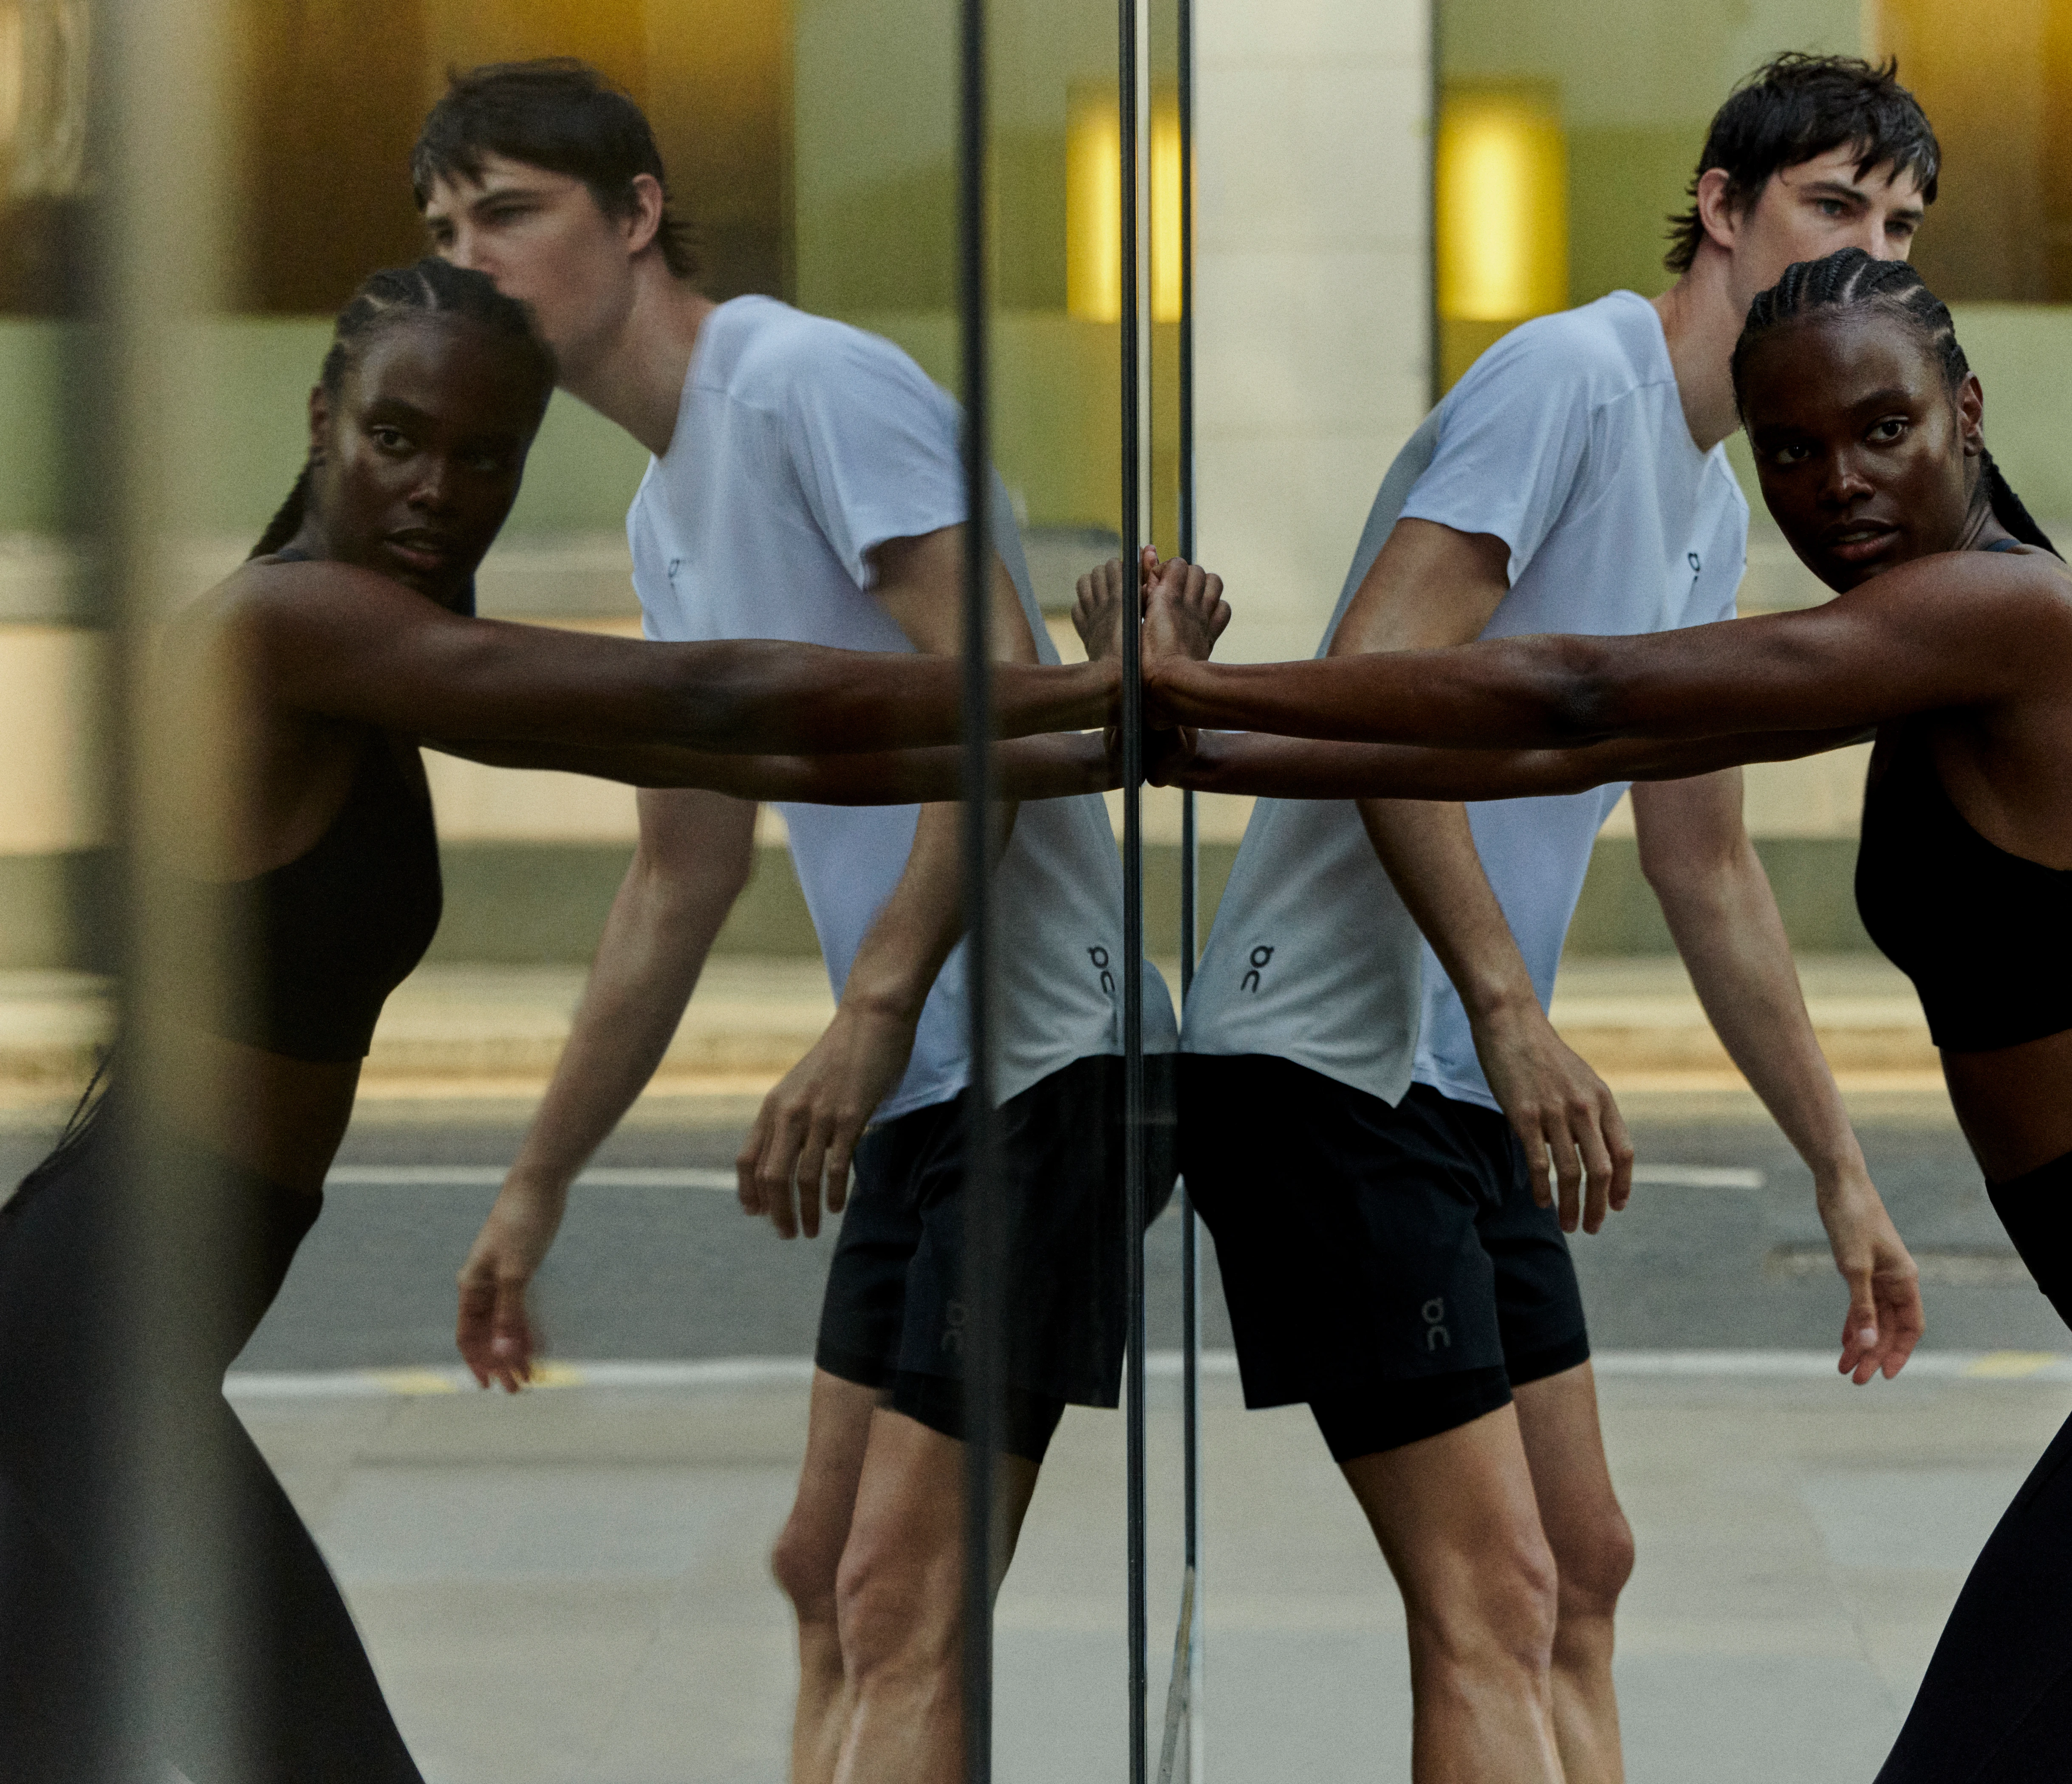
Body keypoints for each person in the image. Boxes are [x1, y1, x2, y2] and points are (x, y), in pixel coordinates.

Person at [1141, 246, 2072, 1784]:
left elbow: (1580, 697)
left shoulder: (2011, 619)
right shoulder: (1924, 637)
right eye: (1795, 453)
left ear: (1966, 410)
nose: (1839, 486)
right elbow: (1558, 760)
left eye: (1883, 431)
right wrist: (1198, 733)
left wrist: (1238, 698)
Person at [0, 258, 1122, 1784]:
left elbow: (763, 769)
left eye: (484, 457)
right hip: (84, 1350)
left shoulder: (364, 652)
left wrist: (1074, 730)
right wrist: (1067, 698)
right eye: (395, 438)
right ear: (322, 419)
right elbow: (707, 704)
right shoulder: (288, 631)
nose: (435, 490)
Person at [409, 62, 1183, 1784]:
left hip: (1051, 1063)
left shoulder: (808, 386)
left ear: (636, 213)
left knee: (897, 1600)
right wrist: (534, 1189)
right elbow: (680, 875)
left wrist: (871, 1012)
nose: (471, 262)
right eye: (445, 231)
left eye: (510, 212)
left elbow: (999, 699)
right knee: (822, 1580)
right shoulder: (662, 506)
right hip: (937, 1082)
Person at [1166, 54, 1933, 1784]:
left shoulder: (1713, 502)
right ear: (1724, 213)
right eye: (1830, 206)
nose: (1861, 256)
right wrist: (1515, 1013)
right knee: (1496, 1593)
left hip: (1451, 1086)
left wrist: (1838, 1165)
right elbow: (1378, 683)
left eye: (1896, 230)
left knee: (1582, 1569)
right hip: (1327, 1066)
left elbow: (1705, 862)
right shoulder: (1574, 382)